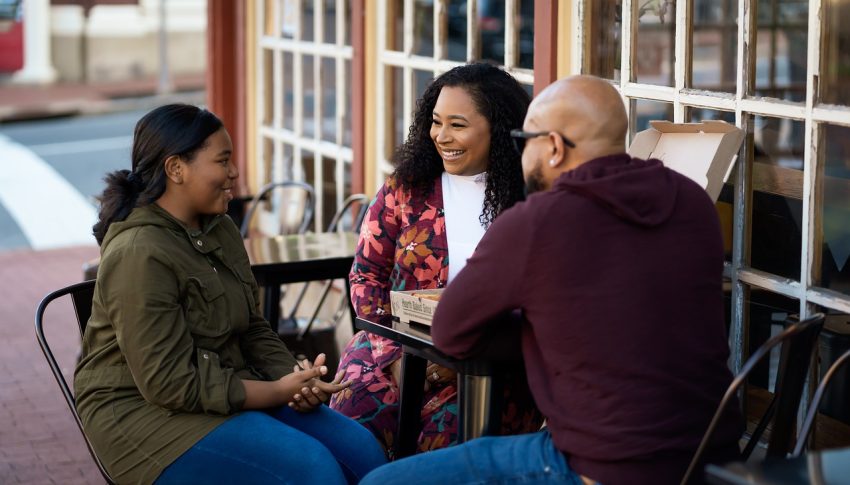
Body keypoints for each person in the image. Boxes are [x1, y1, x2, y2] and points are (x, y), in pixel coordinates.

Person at [360, 75, 742, 485]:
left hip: (599, 467)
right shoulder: (692, 202)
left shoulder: (537, 221)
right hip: (712, 455)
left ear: (554, 147)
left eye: (527, 139)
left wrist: (533, 328)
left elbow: (451, 331)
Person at [74, 104, 387, 484]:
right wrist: (274, 391)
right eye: (222, 161)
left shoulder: (219, 228)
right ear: (176, 169)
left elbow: (252, 328)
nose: (234, 173)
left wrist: (294, 379)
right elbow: (169, 384)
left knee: (362, 450)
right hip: (144, 416)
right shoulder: (140, 252)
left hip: (224, 386)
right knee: (312, 469)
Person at [329, 63, 542, 455]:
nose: (442, 137)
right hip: (390, 350)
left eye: (458, 125)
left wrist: (459, 353)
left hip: (487, 365)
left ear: (498, 127)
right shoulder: (405, 189)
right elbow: (366, 275)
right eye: (436, 122)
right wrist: (393, 354)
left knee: (445, 446)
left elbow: (538, 302)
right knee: (350, 426)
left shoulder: (530, 202)